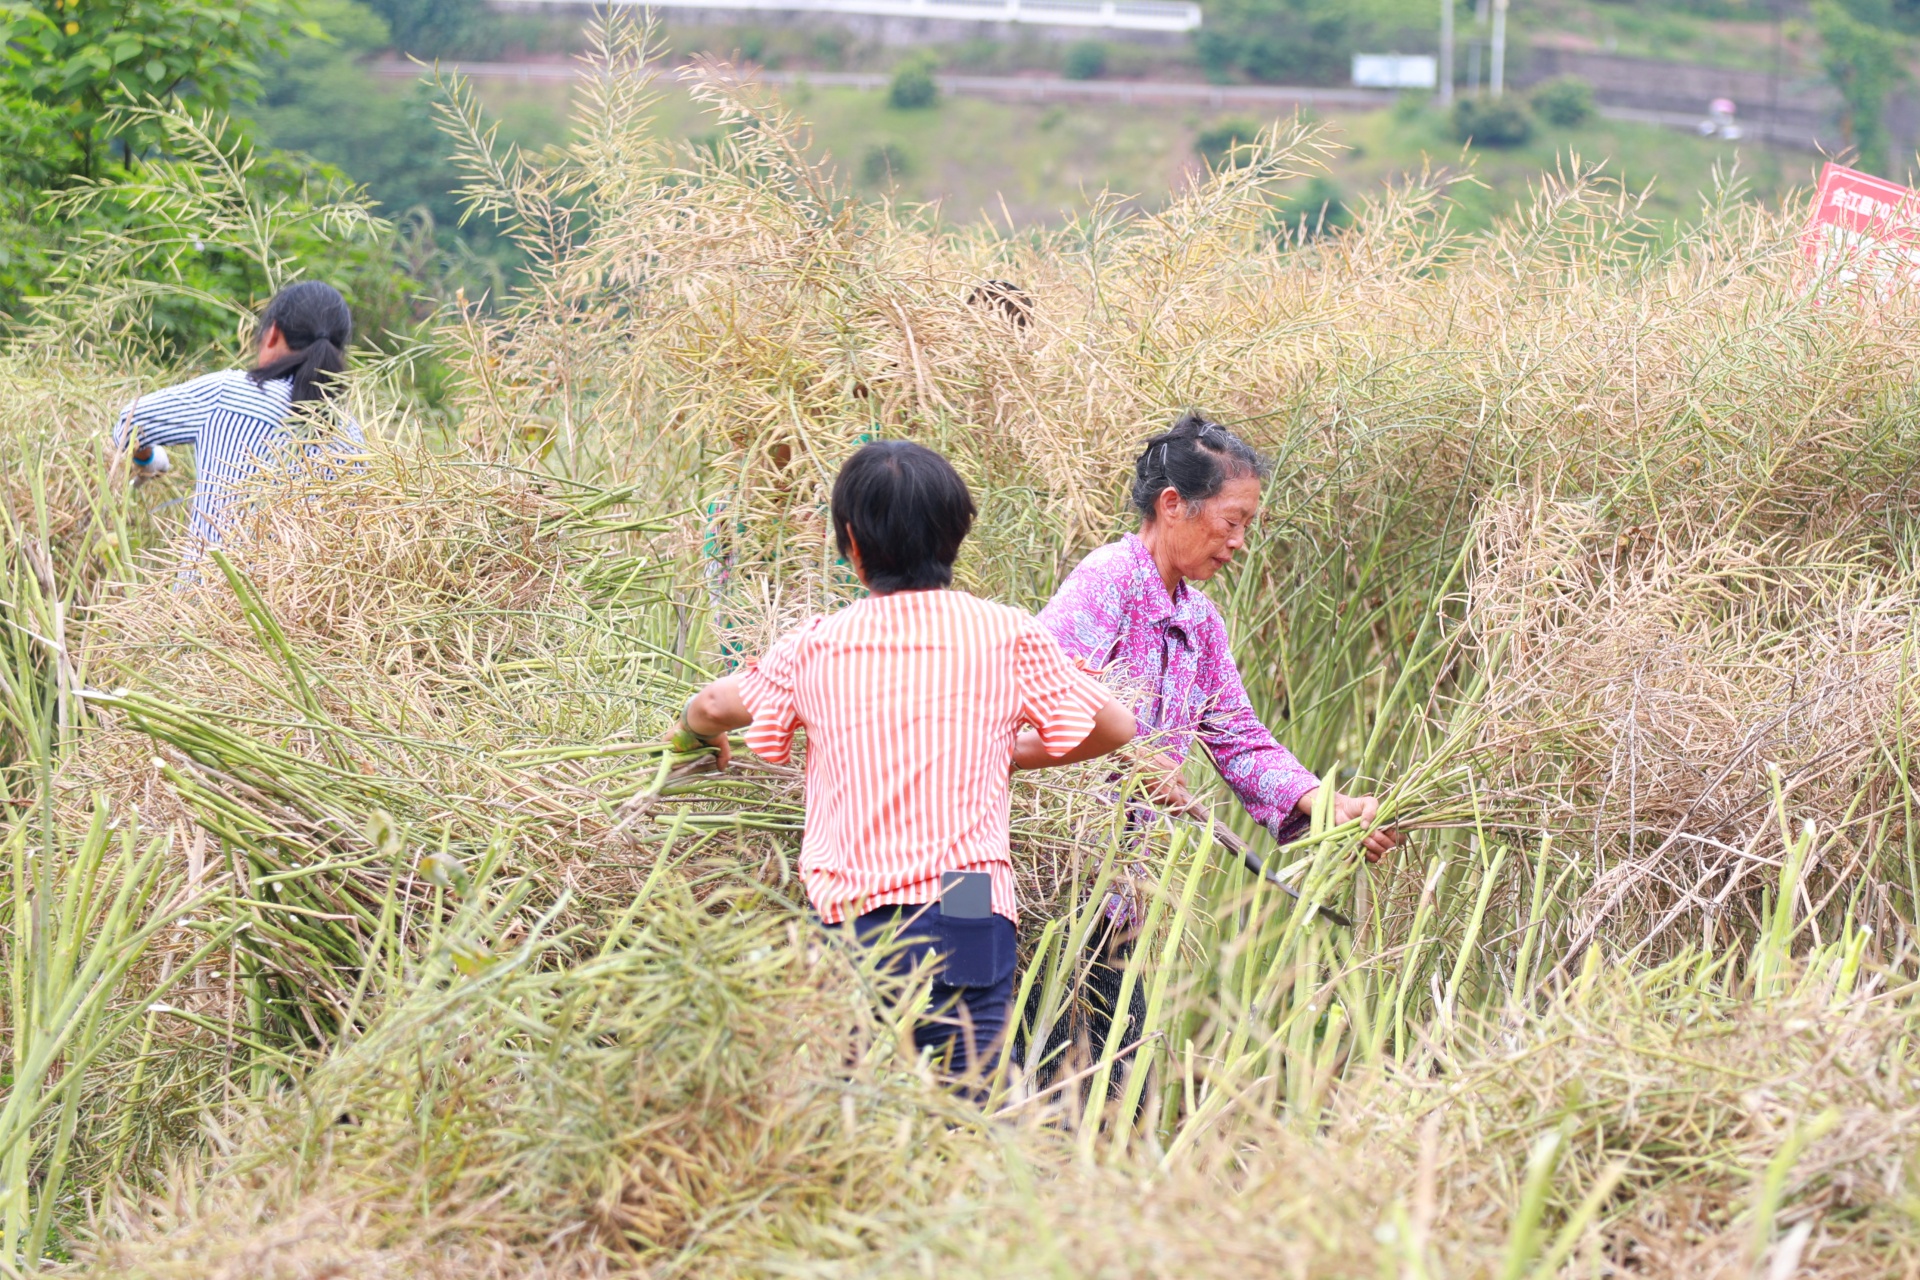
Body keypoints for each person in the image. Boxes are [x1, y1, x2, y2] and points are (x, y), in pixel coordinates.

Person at [677, 440, 1135, 1082]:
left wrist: (695, 736)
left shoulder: (817, 646)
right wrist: (1011, 754)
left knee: (862, 1099)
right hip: (968, 897)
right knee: (963, 1091)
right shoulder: (1005, 634)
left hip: (852, 908)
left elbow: (712, 704)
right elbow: (1115, 723)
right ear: (956, 534)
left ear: (852, 546)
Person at [1029, 412, 1403, 1081]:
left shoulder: (1198, 621)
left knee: (1113, 1093)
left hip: (1119, 897)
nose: (1237, 543)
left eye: (1246, 527)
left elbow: (1238, 737)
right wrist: (1128, 759)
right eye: (1232, 522)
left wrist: (1323, 803)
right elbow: (1039, 693)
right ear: (1174, 505)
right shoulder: (1104, 583)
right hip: (1054, 885)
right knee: (1057, 1087)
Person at [114, 281, 363, 552]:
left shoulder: (227, 394)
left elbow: (129, 425)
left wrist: (149, 459)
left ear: (273, 334)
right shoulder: (352, 438)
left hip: (205, 592)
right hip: (295, 595)